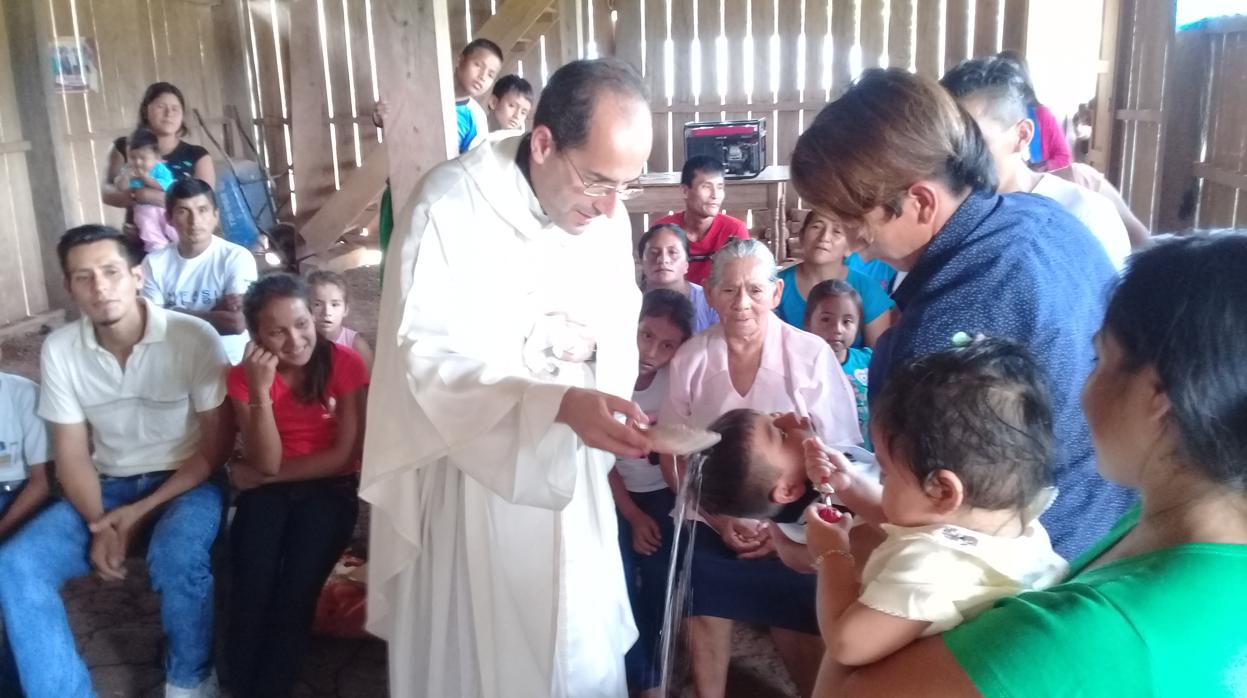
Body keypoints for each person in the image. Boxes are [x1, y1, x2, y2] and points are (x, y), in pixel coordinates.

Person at [815, 232, 1247, 696]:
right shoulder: (1174, 526)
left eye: (1100, 359)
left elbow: (844, 686)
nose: (1084, 390)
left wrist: (842, 555)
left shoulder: (1094, 631)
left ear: (1156, 395)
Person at [361, 58, 654, 698]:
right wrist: (551, 396)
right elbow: (425, 358)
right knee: (488, 660)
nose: (610, 209)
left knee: (575, 647)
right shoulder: (448, 205)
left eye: (625, 189)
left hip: (567, 471)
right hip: (477, 476)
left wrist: (597, 377)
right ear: (543, 142)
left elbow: (619, 314)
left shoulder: (603, 214)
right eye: (598, 182)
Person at [790, 67, 1134, 561]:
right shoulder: (1044, 219)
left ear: (921, 202)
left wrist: (826, 555)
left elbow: (938, 527)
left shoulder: (947, 328)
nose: (852, 244)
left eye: (854, 222)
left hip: (1039, 573)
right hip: (1114, 521)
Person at [0, 225, 229, 698]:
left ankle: (190, 677)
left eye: (111, 272)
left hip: (186, 482)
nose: (100, 287)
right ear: (69, 287)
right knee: (16, 565)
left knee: (178, 557)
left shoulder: (192, 337)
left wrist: (136, 515)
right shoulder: (60, 350)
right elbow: (71, 456)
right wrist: (101, 524)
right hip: (105, 486)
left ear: (137, 275)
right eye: (84, 277)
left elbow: (214, 449)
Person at [803, 339, 1067, 694]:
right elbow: (919, 523)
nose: (881, 482)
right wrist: (848, 484)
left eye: (885, 473)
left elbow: (846, 643)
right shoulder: (1016, 529)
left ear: (944, 490)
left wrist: (832, 554)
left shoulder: (933, 567)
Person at [659, 238, 861, 698]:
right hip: (710, 510)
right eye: (728, 291)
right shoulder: (692, 358)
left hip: (793, 512)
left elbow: (842, 451)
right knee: (704, 587)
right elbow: (674, 453)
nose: (742, 303)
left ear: (775, 294)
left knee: (791, 594)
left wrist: (779, 532)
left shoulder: (809, 354)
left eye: (754, 290)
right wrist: (720, 516)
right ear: (709, 295)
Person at [225, 273, 369, 697]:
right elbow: (266, 458)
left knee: (296, 590)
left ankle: (272, 687)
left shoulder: (346, 363)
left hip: (331, 489)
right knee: (251, 584)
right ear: (255, 336)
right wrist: (259, 390)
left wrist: (257, 476)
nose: (295, 340)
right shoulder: (242, 377)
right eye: (277, 332)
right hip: (270, 490)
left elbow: (343, 457)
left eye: (302, 324)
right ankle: (241, 686)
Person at [941, 56, 1131, 269]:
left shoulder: (1082, 213)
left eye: (973, 141)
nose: (954, 156)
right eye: (945, 141)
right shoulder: (942, 216)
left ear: (1022, 135)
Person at [608, 289, 694, 696]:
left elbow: (678, 458)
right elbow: (598, 466)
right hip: (613, 495)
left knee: (662, 575)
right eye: (645, 335)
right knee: (617, 577)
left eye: (667, 345)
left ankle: (652, 675)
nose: (652, 351)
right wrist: (632, 515)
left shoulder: (673, 383)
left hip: (662, 493)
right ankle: (631, 669)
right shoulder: (608, 378)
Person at [141, 178, 257, 365]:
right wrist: (215, 312)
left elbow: (235, 324)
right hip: (176, 364)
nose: (194, 221)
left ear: (215, 215)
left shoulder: (236, 257)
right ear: (169, 219)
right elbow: (154, 325)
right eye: (183, 211)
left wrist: (173, 311)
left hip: (229, 363)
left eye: (202, 210)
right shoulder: (154, 263)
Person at [101, 82, 215, 231]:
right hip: (139, 237)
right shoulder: (125, 147)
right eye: (161, 107)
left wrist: (151, 196)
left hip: (184, 238)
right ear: (145, 110)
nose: (169, 114)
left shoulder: (197, 155)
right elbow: (106, 193)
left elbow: (206, 202)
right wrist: (135, 195)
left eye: (175, 108)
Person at [775, 211, 896, 345]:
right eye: (817, 227)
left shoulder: (867, 290)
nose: (824, 237)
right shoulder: (777, 286)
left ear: (850, 246)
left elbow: (879, 356)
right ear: (802, 237)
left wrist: (844, 360)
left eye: (837, 231)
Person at [651, 156, 750, 286]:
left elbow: (741, 281)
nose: (715, 195)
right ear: (685, 191)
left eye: (720, 187)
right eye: (706, 187)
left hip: (719, 303)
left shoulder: (734, 230)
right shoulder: (663, 230)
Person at [805, 280, 871, 448]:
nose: (837, 329)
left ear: (859, 326)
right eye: (826, 319)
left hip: (870, 460)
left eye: (847, 321)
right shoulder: (801, 367)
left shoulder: (869, 361)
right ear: (808, 322)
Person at [995, 50, 1071, 171]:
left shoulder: (1042, 115)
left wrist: (1044, 167)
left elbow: (1064, 158)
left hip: (1037, 184)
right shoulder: (989, 116)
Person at [637, 223, 718, 334]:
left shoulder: (710, 302)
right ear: (641, 262)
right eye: (654, 253)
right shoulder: (628, 303)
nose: (663, 259)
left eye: (673, 252)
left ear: (686, 263)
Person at [125, 126, 180, 253]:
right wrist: (125, 179)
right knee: (148, 229)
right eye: (133, 158)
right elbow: (126, 190)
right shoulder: (131, 171)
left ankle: (180, 247)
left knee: (173, 229)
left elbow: (166, 186)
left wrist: (146, 179)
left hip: (164, 208)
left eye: (143, 158)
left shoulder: (160, 169)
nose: (138, 162)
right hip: (144, 209)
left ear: (156, 157)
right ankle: (157, 251)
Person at [307, 270, 374, 370]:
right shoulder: (302, 343)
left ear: (345, 310)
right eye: (318, 304)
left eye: (335, 304)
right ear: (307, 307)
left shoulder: (356, 345)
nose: (326, 312)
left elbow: (373, 382)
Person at [453, 38, 504, 153]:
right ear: (460, 60)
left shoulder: (476, 119)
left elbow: (467, 165)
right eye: (478, 65)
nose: (482, 77)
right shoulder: (427, 90)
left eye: (490, 75)